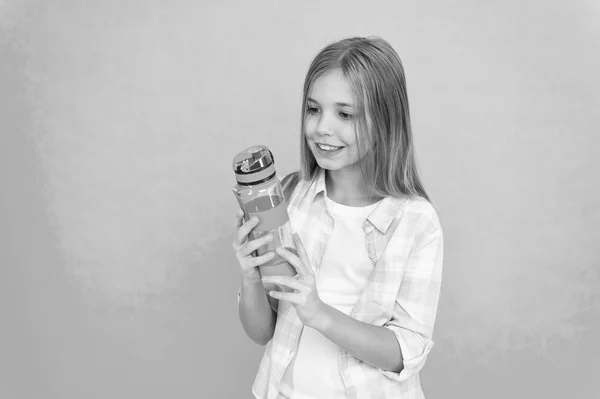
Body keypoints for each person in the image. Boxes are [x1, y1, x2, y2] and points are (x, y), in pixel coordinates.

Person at [232, 36, 443, 399]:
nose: (322, 128)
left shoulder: (416, 222)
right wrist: (251, 278)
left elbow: (403, 353)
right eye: (314, 110)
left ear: (386, 121)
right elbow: (261, 331)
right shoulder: (290, 197)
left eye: (345, 114)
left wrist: (319, 314)